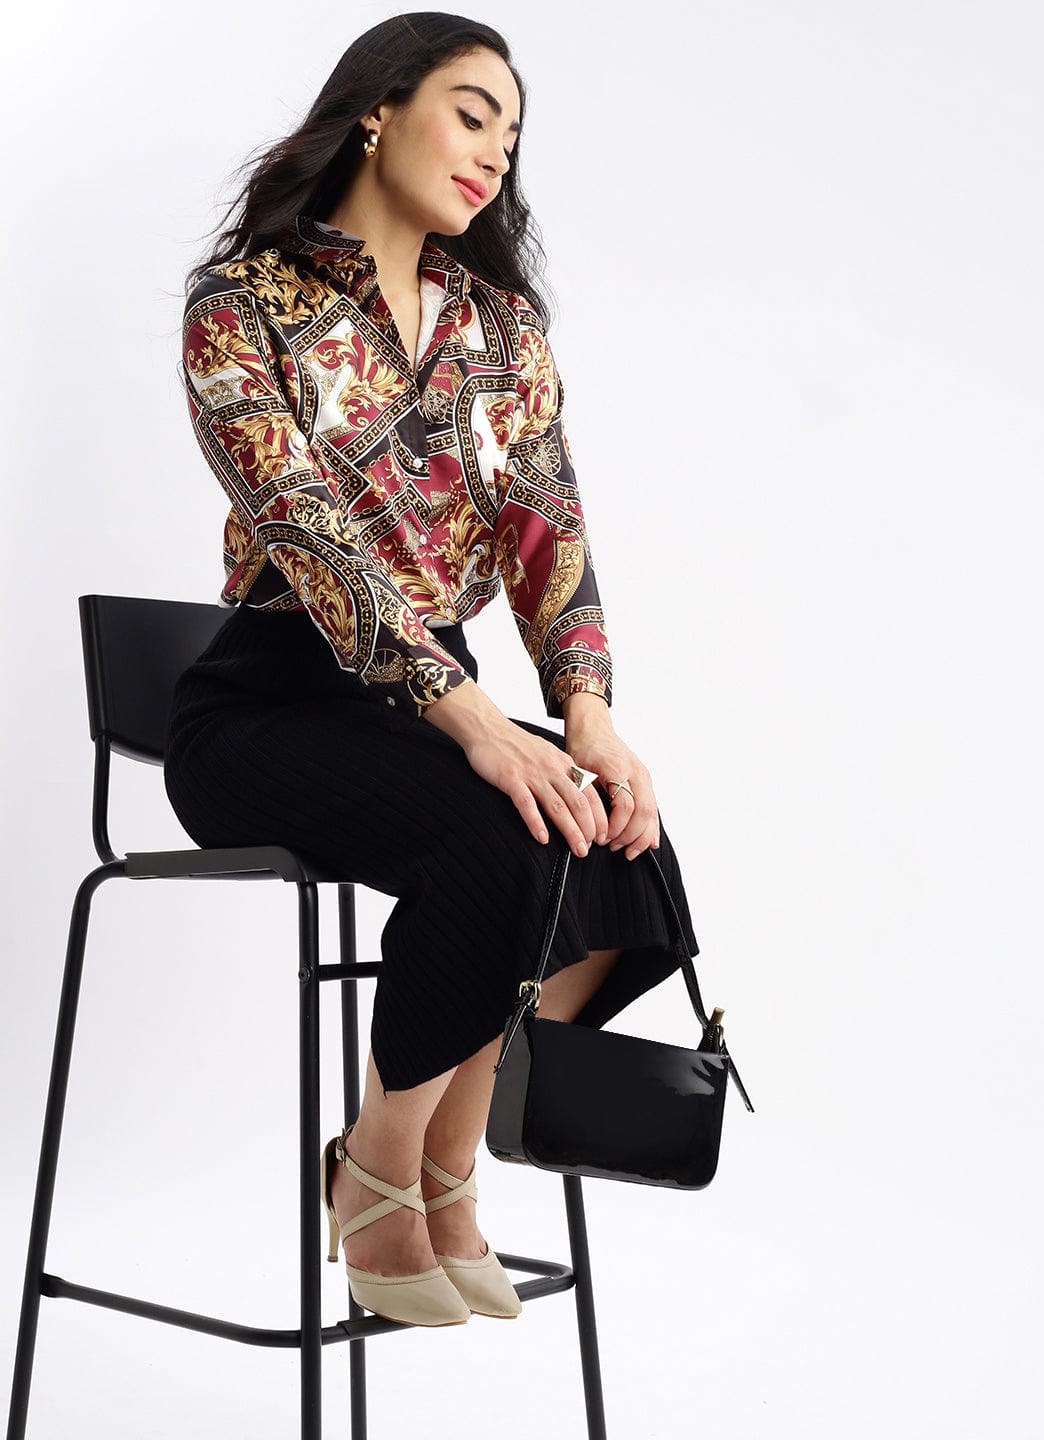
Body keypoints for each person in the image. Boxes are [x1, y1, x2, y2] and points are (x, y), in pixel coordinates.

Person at [164, 11, 701, 1328]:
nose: (496, 153)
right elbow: (308, 532)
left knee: (612, 837)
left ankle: (444, 1166)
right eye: (473, 113)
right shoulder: (242, 305)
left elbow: (548, 531)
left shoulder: (500, 328)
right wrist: (480, 725)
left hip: (433, 712)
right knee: (502, 831)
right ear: (378, 109)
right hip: (266, 706)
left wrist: (587, 717)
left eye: (512, 135)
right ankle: (377, 1168)